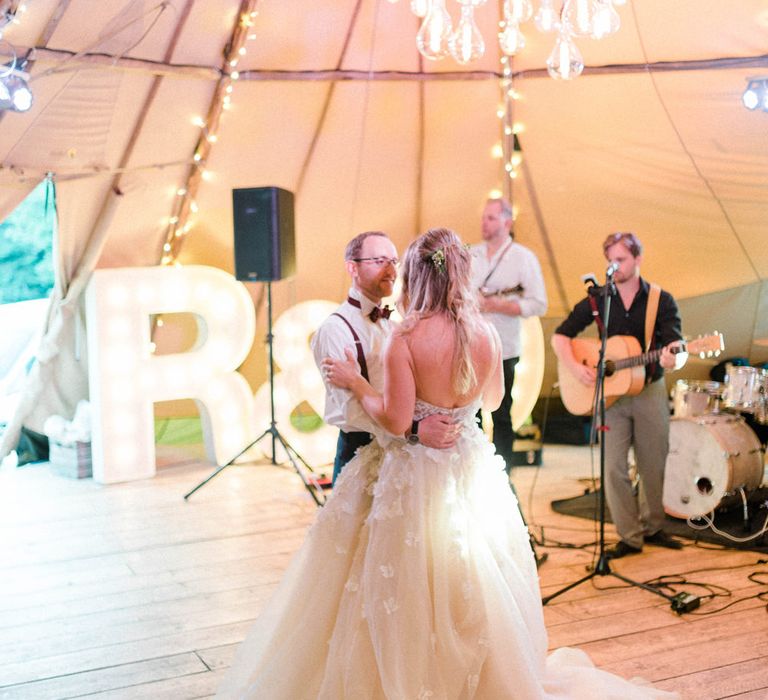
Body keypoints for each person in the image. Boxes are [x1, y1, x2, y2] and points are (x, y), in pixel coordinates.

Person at [216, 227, 679, 699]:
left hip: (417, 472)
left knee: (411, 586)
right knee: (473, 574)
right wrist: (458, 408)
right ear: (462, 274)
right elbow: (495, 400)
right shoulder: (486, 335)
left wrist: (359, 384)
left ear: (416, 275)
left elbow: (396, 422)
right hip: (469, 462)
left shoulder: (406, 339)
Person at [551, 231, 685, 559]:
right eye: (611, 260)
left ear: (638, 259)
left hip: (649, 389)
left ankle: (653, 527)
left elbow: (677, 348)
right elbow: (560, 336)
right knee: (613, 468)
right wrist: (575, 366)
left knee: (653, 464)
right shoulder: (599, 300)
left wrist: (674, 358)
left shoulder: (660, 300)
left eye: (622, 259)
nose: (616, 266)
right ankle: (629, 536)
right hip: (611, 396)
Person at [311, 230, 457, 484]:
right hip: (359, 452)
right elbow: (350, 410)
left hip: (400, 454)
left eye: (394, 261)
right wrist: (415, 430)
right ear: (352, 268)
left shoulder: (393, 325)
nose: (391, 270)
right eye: (379, 261)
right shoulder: (334, 330)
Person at [470, 197, 547, 471]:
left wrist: (500, 305)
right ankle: (473, 465)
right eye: (483, 217)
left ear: (506, 222)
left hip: (505, 344)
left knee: (502, 411)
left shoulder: (523, 258)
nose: (485, 223)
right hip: (472, 344)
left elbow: (539, 303)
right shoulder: (473, 255)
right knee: (471, 410)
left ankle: (503, 470)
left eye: (491, 218)